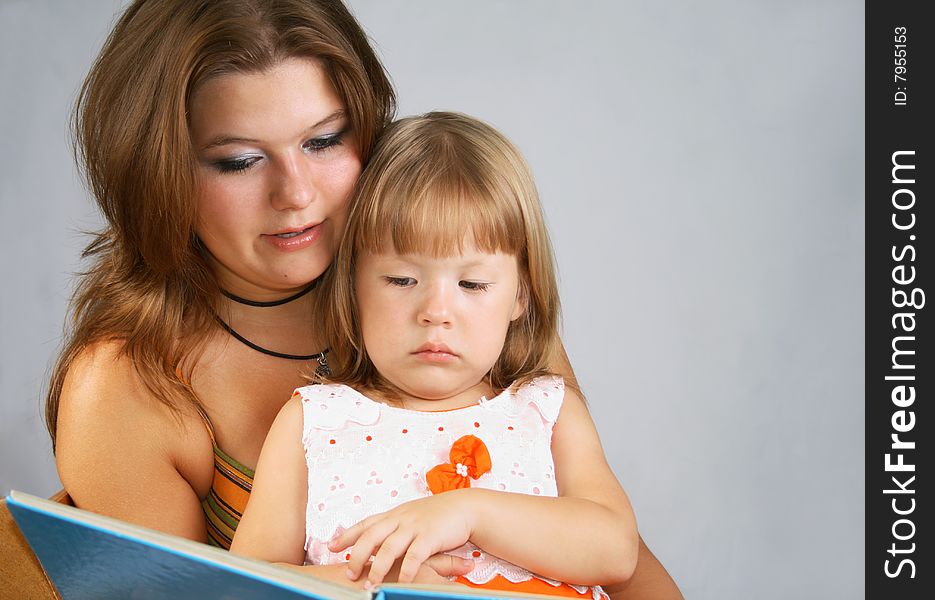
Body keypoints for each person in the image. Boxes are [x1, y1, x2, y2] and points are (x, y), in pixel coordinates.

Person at [1, 1, 682, 598]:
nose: (296, 193)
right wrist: (366, 581)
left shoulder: (460, 298)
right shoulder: (128, 387)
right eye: (239, 160)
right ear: (157, 170)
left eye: (323, 140)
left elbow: (620, 562)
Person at [231, 112, 637, 598]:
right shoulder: (315, 423)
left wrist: (470, 512)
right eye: (402, 280)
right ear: (353, 286)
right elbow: (245, 585)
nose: (436, 312)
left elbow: (616, 549)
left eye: (472, 284)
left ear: (520, 296)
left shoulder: (544, 410)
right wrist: (368, 585)